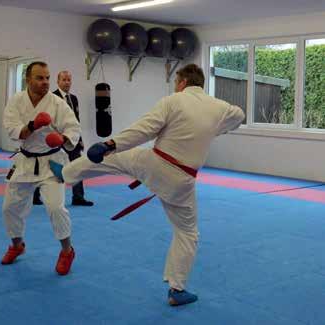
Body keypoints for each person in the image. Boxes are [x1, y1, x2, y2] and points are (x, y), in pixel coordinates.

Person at [57, 64, 245, 305]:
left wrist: (109, 144)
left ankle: (65, 174)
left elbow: (144, 129)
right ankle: (177, 290)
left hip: (153, 164)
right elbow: (239, 115)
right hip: (182, 182)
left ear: (183, 82)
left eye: (177, 82)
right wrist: (218, 127)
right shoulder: (220, 108)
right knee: (187, 233)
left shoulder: (173, 100)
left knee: (111, 160)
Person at [1, 61, 81, 276]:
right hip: (25, 161)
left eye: (47, 77)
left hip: (52, 161)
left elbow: (73, 128)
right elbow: (12, 129)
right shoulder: (16, 101)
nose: (45, 82)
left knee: (56, 207)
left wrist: (62, 138)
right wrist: (33, 125)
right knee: (10, 207)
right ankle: (17, 245)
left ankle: (67, 251)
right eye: (40, 78)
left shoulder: (57, 103)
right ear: (28, 80)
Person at [33, 71, 94, 207]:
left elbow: (76, 122)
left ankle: (78, 197)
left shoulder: (74, 98)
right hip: (55, 139)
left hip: (71, 139)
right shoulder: (51, 98)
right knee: (48, 168)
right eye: (64, 80)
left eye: (69, 80)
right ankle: (35, 195)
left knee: (78, 167)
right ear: (58, 81)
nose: (67, 82)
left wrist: (79, 138)